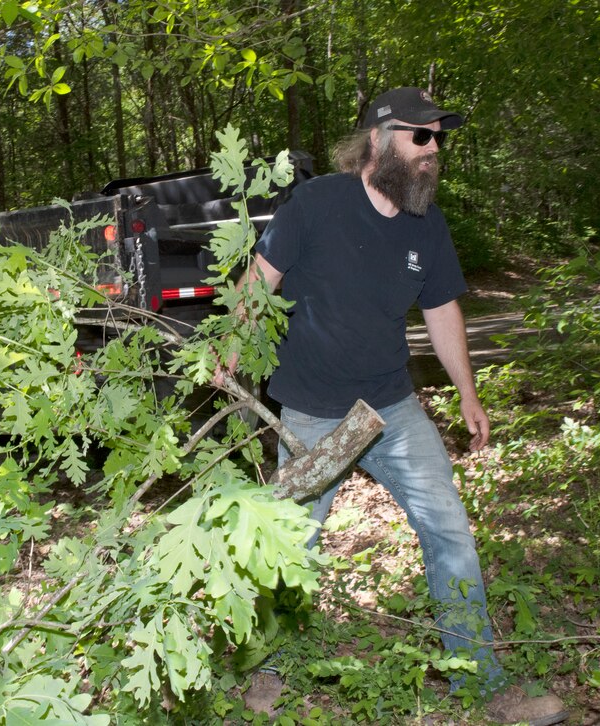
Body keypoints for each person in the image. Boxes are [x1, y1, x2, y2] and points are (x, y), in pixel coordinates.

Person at [224, 87, 568, 725]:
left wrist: (468, 392)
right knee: (290, 543)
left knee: (450, 534)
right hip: (313, 416)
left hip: (392, 409)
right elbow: (258, 282)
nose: (433, 151)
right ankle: (266, 668)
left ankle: (482, 682)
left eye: (439, 139)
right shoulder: (317, 203)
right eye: (422, 137)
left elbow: (441, 309)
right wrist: (229, 355)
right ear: (380, 139)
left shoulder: (425, 224)